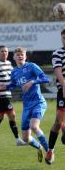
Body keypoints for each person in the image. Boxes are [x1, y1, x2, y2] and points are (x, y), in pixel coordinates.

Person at [5, 47, 49, 163]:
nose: (20, 56)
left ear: (25, 56)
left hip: (38, 102)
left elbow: (45, 78)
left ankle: (49, 152)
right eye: (18, 55)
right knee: (25, 138)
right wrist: (7, 87)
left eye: (22, 54)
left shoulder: (32, 66)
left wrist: (32, 81)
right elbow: (14, 84)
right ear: (14, 57)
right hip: (26, 106)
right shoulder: (14, 72)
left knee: (34, 126)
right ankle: (39, 147)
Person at [45, 29, 65, 164]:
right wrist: (64, 86)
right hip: (63, 91)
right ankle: (50, 150)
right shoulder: (57, 53)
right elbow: (58, 71)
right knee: (58, 122)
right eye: (63, 37)